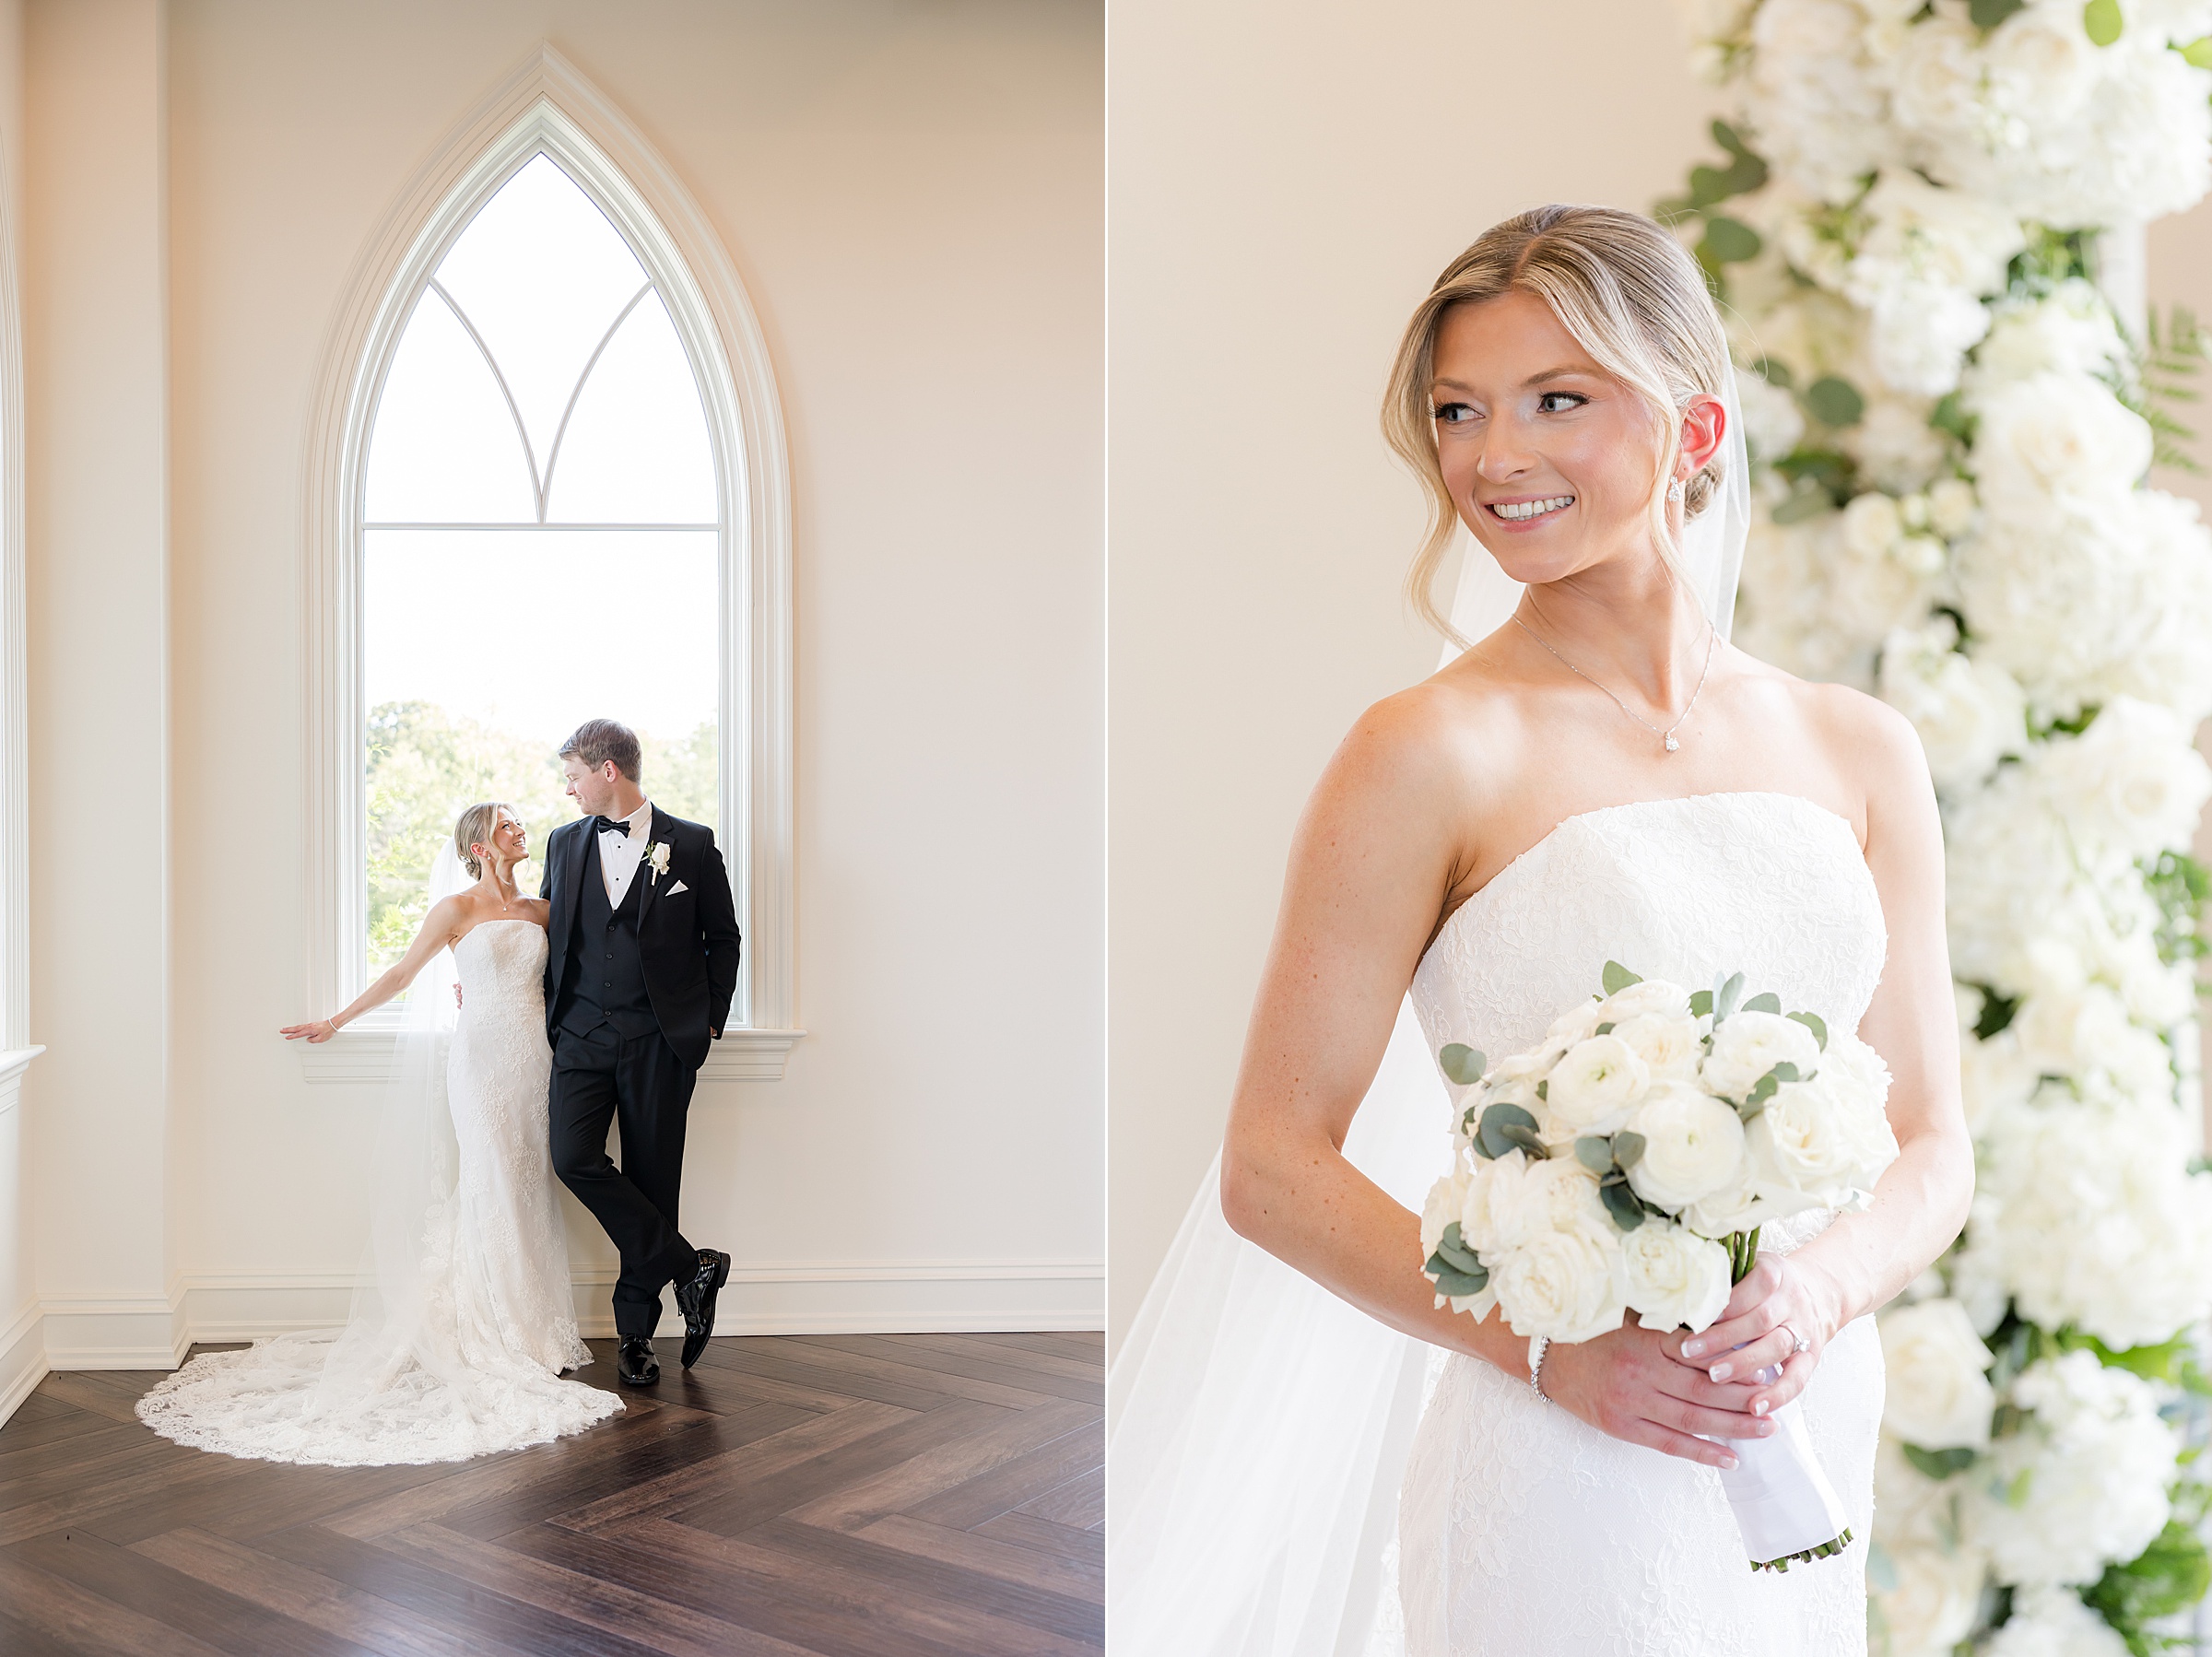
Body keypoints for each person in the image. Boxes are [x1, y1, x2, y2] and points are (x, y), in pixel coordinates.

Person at [1110, 205, 1972, 1652]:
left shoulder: (1861, 747)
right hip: (1561, 1449)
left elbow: (1934, 1142)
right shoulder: (1426, 752)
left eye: (1555, 400)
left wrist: (1818, 1291)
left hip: (1802, 1403)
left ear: (1697, 427)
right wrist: (1550, 1350)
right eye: (1459, 411)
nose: (1493, 456)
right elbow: (1271, 1162)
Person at [135, 804, 622, 1466]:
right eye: (506, 825)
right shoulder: (455, 910)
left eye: (517, 823)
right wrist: (335, 1021)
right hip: (480, 1062)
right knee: (492, 1182)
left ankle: (534, 1328)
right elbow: (401, 974)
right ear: (480, 845)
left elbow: (573, 979)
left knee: (529, 1185)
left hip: (535, 1061)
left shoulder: (543, 910)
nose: (520, 831)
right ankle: (495, 1330)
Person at [541, 717, 742, 1388]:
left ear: (608, 771)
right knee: (572, 1157)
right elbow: (549, 928)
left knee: (655, 1180)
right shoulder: (564, 842)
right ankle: (691, 1267)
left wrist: (708, 1020)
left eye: (573, 776)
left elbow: (723, 938)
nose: (569, 790)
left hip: (660, 1039)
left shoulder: (693, 844)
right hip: (580, 1035)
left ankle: (636, 1334)